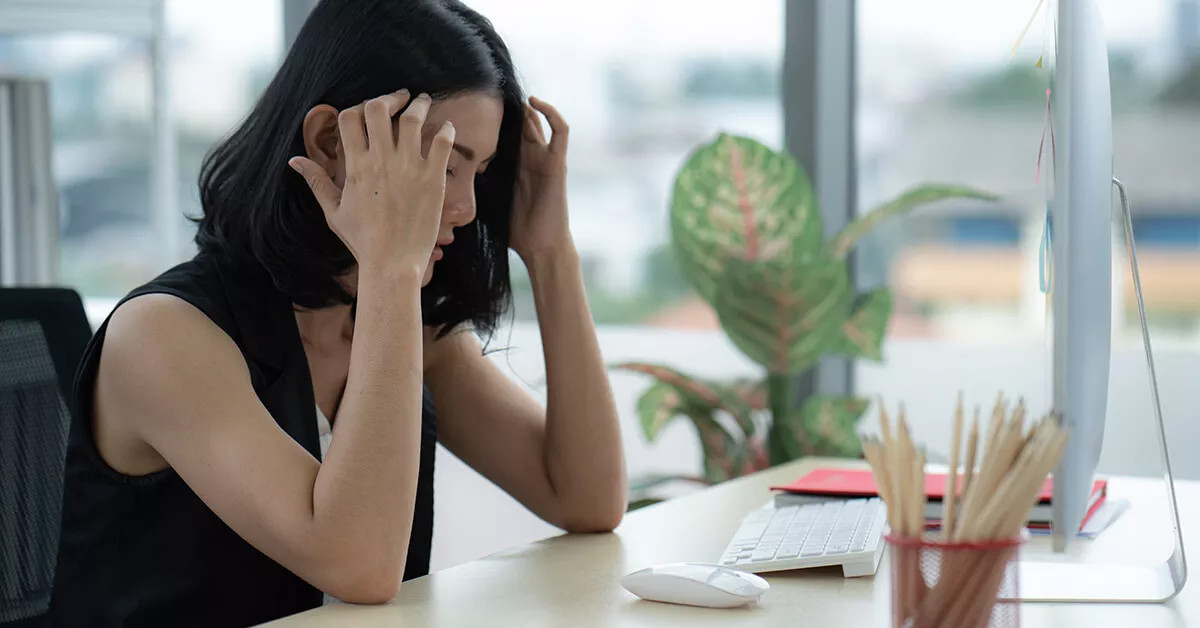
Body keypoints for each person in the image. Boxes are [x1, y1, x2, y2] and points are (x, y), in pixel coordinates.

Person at [47, 1, 626, 626]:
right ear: (330, 142)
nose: (464, 206)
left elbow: (586, 497)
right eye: (443, 166)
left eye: (479, 174)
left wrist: (550, 252)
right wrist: (391, 273)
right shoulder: (162, 336)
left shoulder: (400, 328)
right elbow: (361, 566)